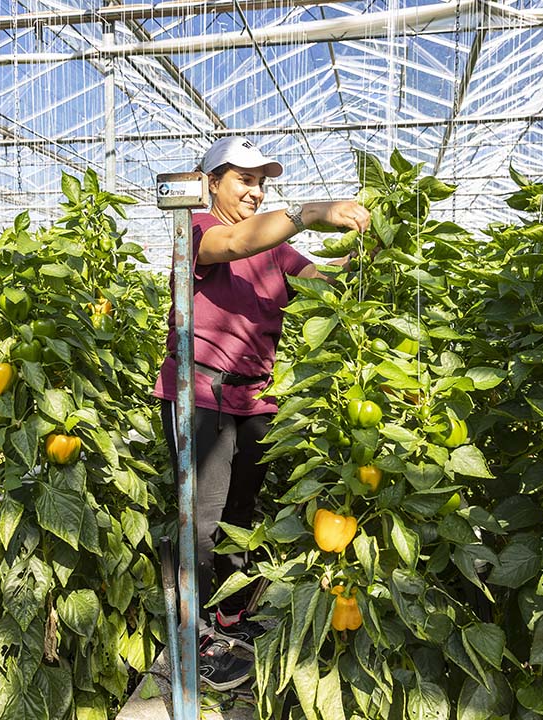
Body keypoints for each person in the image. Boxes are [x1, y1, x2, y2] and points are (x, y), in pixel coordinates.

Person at [153, 136, 371, 690]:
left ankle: (230, 617)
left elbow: (322, 280)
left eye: (262, 183)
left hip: (253, 397)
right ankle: (193, 635)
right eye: (244, 180)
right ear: (211, 184)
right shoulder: (198, 229)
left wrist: (372, 249)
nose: (255, 191)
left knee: (240, 517)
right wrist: (306, 213)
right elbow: (233, 243)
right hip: (198, 395)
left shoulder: (275, 250)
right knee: (198, 523)